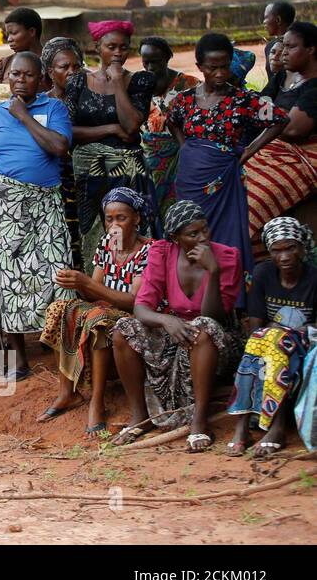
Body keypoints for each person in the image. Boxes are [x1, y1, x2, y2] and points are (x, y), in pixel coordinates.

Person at [0, 51, 73, 378]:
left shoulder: (54, 108)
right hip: (4, 205)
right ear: (6, 78)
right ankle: (21, 361)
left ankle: (63, 358)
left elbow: (59, 148)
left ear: (41, 80)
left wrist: (23, 115)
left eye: (27, 75)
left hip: (46, 204)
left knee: (58, 273)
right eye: (14, 75)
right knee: (9, 278)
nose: (20, 80)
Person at [112, 200, 242, 451]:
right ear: (175, 238)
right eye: (193, 234)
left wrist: (212, 271)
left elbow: (214, 317)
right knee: (122, 330)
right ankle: (141, 417)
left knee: (203, 326)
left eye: (205, 229)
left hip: (217, 338)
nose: (203, 238)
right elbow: (141, 308)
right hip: (178, 328)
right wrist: (166, 319)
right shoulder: (163, 253)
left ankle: (199, 422)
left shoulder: (226, 257)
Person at [169, 32, 286, 279]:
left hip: (224, 180)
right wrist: (185, 148)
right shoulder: (184, 99)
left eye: (225, 66)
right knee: (188, 232)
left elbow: (279, 120)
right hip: (190, 179)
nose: (220, 73)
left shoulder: (243, 100)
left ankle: (228, 297)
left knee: (225, 235)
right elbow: (172, 122)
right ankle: (189, 292)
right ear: (200, 67)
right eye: (213, 68)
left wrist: (249, 151)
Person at [40, 187, 153, 436]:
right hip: (104, 309)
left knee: (97, 318)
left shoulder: (147, 251)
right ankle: (67, 392)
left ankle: (97, 401)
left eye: (121, 218)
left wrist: (88, 284)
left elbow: (135, 301)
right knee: (63, 308)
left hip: (132, 317)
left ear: (136, 218)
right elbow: (94, 291)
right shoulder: (106, 244)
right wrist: (77, 283)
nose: (114, 225)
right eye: (109, 219)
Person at [64, 20, 158, 265]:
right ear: (97, 47)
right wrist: (112, 128)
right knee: (93, 229)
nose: (118, 53)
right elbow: (67, 131)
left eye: (123, 48)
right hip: (88, 174)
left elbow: (132, 126)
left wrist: (117, 83)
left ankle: (130, 284)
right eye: (111, 47)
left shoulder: (140, 81)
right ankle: (97, 288)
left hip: (127, 173)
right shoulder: (78, 82)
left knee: (126, 228)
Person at [227, 217, 317, 457]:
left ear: (301, 247)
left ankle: (272, 427)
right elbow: (255, 323)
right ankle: (244, 426)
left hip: (305, 345)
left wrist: (283, 331)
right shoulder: (263, 273)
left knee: (271, 339)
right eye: (277, 250)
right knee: (261, 340)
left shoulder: (314, 278)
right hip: (267, 341)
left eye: (290, 248)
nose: (284, 256)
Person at [245, 22, 317, 254]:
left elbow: (295, 129)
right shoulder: (282, 77)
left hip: (299, 157)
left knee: (253, 203)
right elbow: (257, 106)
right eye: (283, 46)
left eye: (291, 46)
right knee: (232, 185)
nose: (283, 52)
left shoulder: (315, 88)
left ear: (311, 50)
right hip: (270, 148)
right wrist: (274, 118)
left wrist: (268, 116)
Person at [139, 36, 200, 218]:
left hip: (182, 154)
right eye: (145, 62)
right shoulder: (139, 85)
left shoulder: (189, 85)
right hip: (150, 160)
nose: (150, 68)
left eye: (155, 62)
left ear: (167, 58)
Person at [41, 36, 85, 267]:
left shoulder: (90, 98)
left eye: (76, 66)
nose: (71, 72)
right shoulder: (42, 103)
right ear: (50, 71)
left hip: (86, 177)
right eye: (64, 67)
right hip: (56, 180)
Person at [0, 8, 43, 84]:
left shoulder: (52, 64)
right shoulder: (5, 64)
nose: (9, 39)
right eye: (8, 35)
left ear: (32, 32)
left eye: (14, 33)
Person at [263, 0, 296, 80]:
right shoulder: (269, 46)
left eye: (266, 17)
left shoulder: (296, 46)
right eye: (273, 52)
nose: (264, 22)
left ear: (278, 20)